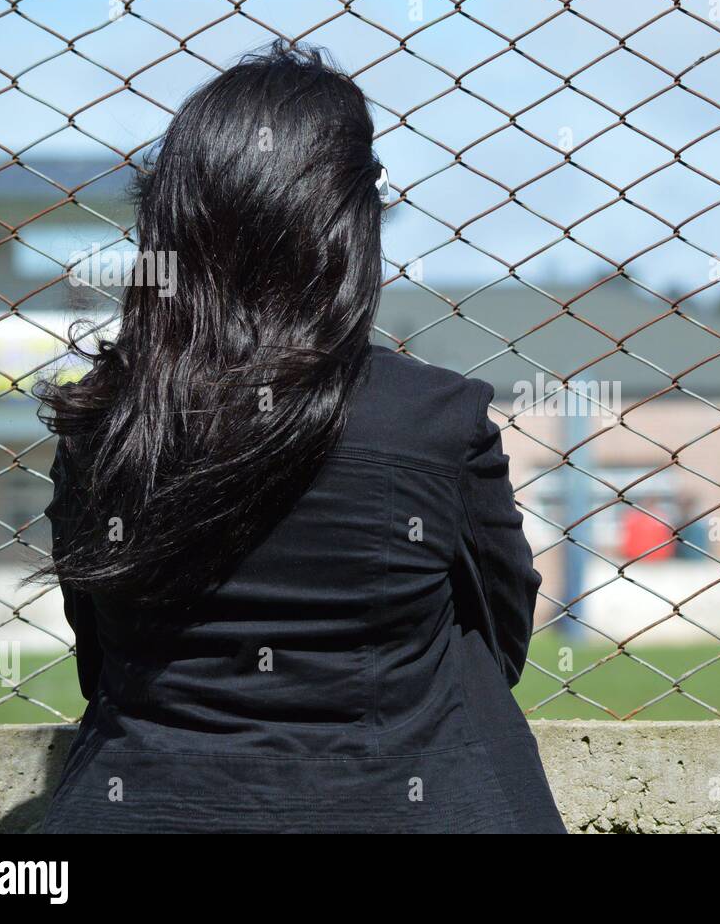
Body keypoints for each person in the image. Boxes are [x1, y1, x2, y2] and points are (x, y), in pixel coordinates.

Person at [34, 43, 565, 833]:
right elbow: (503, 636)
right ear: (345, 224)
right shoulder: (433, 417)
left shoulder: (102, 422)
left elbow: (98, 662)